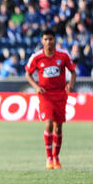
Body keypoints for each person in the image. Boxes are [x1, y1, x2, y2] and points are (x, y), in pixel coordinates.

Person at [25, 29, 77, 170]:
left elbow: (73, 71)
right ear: (42, 41)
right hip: (45, 95)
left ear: (55, 40)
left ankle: (56, 156)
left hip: (60, 95)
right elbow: (28, 74)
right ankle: (49, 157)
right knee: (48, 123)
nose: (48, 42)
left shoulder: (63, 55)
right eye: (46, 39)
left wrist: (70, 85)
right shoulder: (37, 57)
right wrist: (36, 87)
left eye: (51, 39)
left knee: (58, 127)